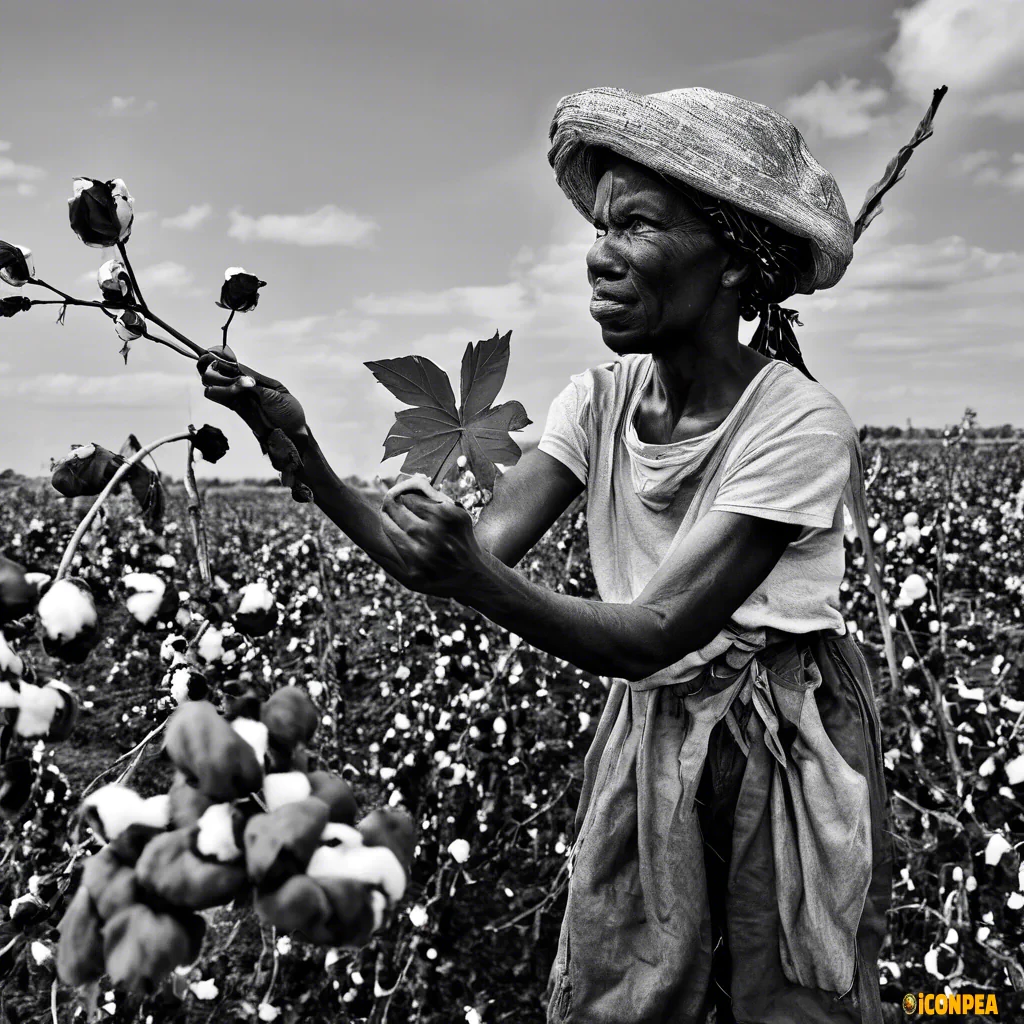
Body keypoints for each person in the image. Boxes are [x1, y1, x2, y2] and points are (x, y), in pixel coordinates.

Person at [199, 87, 894, 1024]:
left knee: (787, 996)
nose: (598, 257)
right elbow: (454, 555)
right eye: (601, 227)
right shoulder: (599, 402)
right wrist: (301, 448)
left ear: (733, 261)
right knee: (633, 988)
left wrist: (475, 577)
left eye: (636, 226)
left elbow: (652, 631)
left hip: (783, 742)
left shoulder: (800, 424)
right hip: (653, 734)